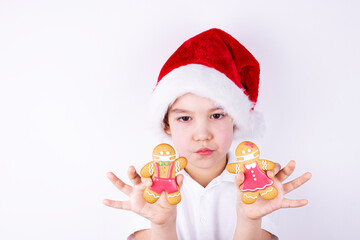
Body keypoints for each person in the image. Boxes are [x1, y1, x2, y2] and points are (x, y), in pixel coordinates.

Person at [103, 28, 312, 240]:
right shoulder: (150, 189)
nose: (202, 134)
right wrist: (163, 226)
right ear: (166, 124)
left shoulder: (256, 187)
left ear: (235, 121)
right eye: (185, 118)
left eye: (217, 116)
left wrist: (249, 221)